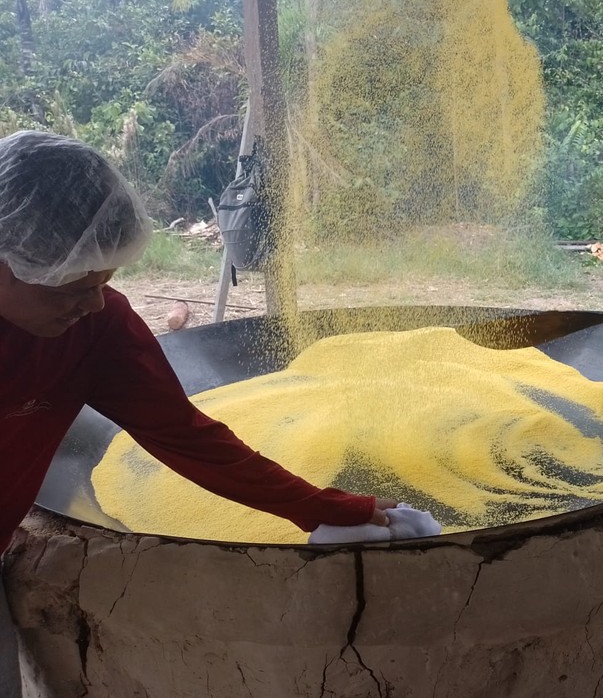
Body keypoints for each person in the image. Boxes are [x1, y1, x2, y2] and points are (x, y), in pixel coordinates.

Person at [0, 131, 399, 697]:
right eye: (70, 287)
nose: (91, 303)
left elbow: (185, 436)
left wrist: (320, 506)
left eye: (104, 282)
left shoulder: (95, 327)